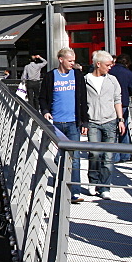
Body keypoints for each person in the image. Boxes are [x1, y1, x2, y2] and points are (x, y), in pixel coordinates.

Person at [40, 47, 89, 203]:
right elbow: (42, 97)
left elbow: (83, 99)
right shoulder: (50, 77)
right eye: (70, 61)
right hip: (56, 123)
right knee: (57, 158)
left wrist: (84, 121)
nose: (72, 63)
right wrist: (46, 111)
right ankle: (59, 187)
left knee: (74, 158)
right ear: (61, 59)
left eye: (73, 61)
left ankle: (74, 191)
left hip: (73, 122)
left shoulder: (77, 75)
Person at [85, 50, 123, 200]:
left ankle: (105, 186)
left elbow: (117, 99)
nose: (110, 67)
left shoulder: (112, 80)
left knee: (108, 157)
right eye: (107, 65)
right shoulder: (86, 80)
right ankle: (93, 181)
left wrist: (120, 119)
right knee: (94, 153)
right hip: (93, 121)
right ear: (98, 64)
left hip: (110, 121)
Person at [110, 53, 132, 162]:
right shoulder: (128, 73)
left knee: (112, 131)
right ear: (127, 63)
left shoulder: (110, 71)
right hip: (123, 104)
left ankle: (115, 156)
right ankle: (125, 156)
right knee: (123, 129)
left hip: (110, 104)